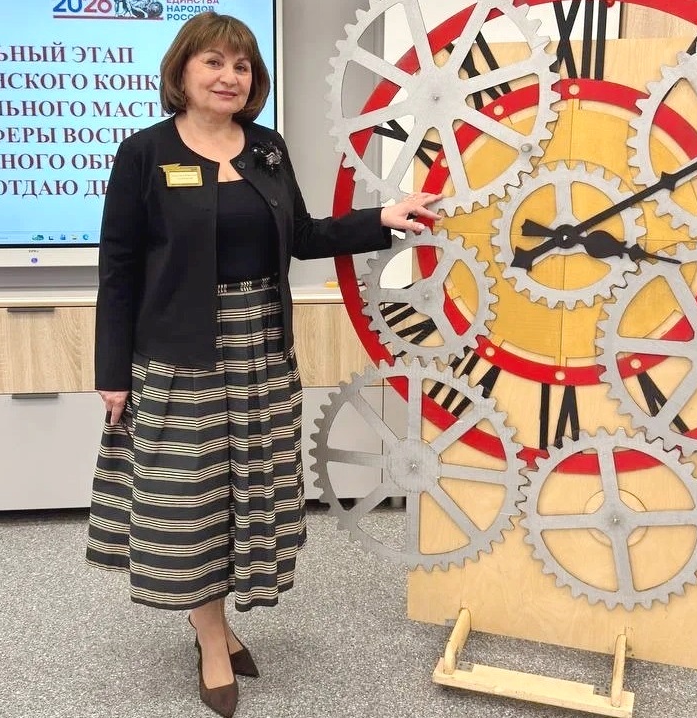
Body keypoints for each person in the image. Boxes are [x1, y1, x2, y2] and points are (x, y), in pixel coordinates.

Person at [86, 11, 440, 718]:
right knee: (192, 502)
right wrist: (112, 371)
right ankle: (211, 641)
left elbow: (302, 235)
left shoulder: (267, 149)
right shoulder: (145, 153)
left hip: (262, 351)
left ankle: (217, 626)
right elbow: (118, 268)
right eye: (214, 62)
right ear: (182, 71)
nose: (229, 77)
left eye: (242, 66)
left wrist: (380, 218)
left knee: (247, 494)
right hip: (179, 355)